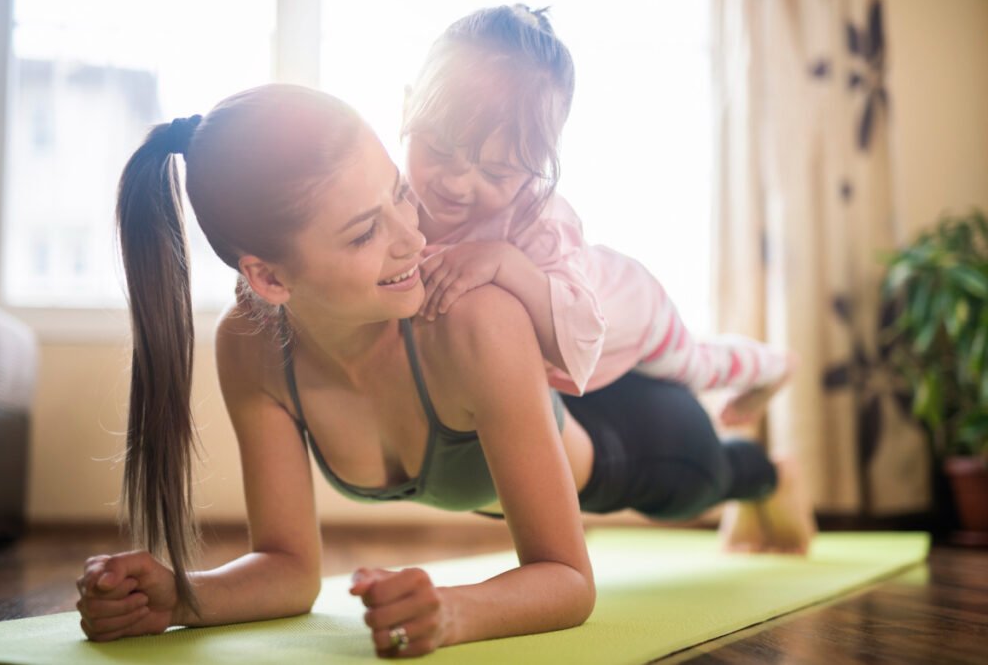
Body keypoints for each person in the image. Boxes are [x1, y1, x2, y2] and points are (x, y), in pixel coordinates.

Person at [75, 84, 813, 657]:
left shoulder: (472, 321)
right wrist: (176, 595)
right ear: (267, 277)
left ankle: (770, 472)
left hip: (631, 434)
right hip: (544, 430)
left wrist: (454, 608)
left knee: (711, 478)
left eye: (400, 192)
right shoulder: (251, 347)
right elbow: (289, 567)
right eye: (367, 231)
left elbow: (568, 578)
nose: (413, 237)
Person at [404, 5, 794, 426]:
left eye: (495, 171)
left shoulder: (540, 223)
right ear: (408, 107)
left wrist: (504, 262)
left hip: (634, 310)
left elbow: (584, 336)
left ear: (538, 166)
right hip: (594, 292)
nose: (457, 184)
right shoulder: (393, 198)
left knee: (697, 365)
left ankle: (774, 366)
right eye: (439, 150)